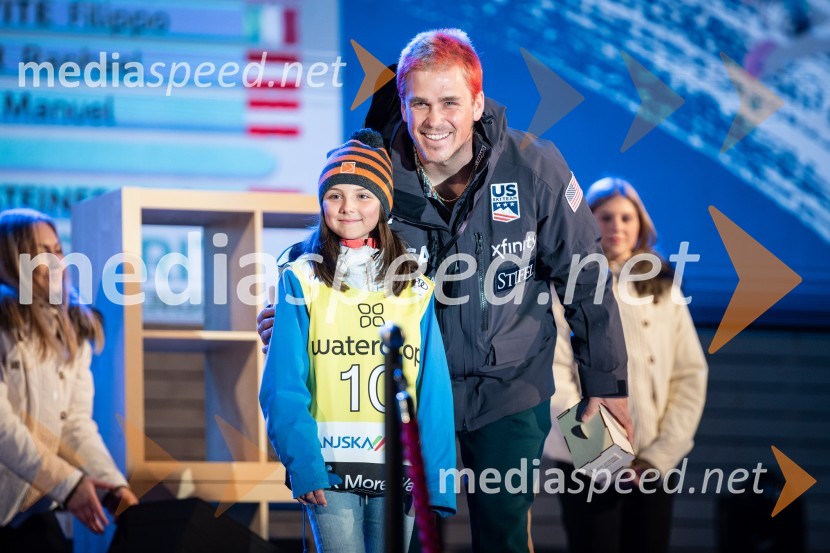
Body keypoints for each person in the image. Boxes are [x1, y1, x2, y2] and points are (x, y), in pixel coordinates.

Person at [258, 29, 631, 553]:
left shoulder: (534, 167)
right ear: (403, 105)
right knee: (407, 539)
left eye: (450, 102)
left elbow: (585, 276)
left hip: (509, 390)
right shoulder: (374, 169)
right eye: (420, 103)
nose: (435, 120)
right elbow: (324, 245)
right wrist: (289, 312)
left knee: (503, 535)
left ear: (477, 104)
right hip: (402, 395)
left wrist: (607, 383)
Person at [258, 129, 456, 553]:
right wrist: (303, 464)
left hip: (401, 470)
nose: (348, 207)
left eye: (363, 195)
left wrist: (437, 481)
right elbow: (282, 385)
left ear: (383, 204)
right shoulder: (301, 279)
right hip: (328, 468)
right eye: (335, 195)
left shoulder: (416, 287)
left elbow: (433, 390)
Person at [543, 177, 709, 553]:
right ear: (586, 222)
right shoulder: (563, 284)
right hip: (584, 463)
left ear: (640, 226)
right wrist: (604, 458)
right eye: (605, 217)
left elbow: (689, 375)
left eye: (626, 218)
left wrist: (659, 457)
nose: (616, 226)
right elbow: (556, 374)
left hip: (652, 465)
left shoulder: (664, 289)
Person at [0, 208, 138, 552]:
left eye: (58, 250)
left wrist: (113, 486)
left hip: (29, 511)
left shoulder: (74, 325)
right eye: (41, 252)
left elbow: (74, 424)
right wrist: (67, 484)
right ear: (12, 262)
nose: (56, 261)